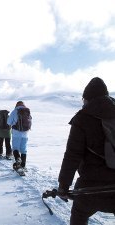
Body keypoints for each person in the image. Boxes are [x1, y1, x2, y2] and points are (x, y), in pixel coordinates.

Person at [58, 77, 115, 225]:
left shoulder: (82, 118)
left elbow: (72, 155)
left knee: (79, 214)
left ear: (87, 98)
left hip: (90, 187)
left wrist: (63, 186)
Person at [7, 101, 32, 172]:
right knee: (23, 149)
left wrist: (13, 123)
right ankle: (23, 166)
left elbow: (8, 122)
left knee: (15, 148)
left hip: (16, 133)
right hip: (25, 134)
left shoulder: (15, 111)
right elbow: (30, 122)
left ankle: (18, 159)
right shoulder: (27, 111)